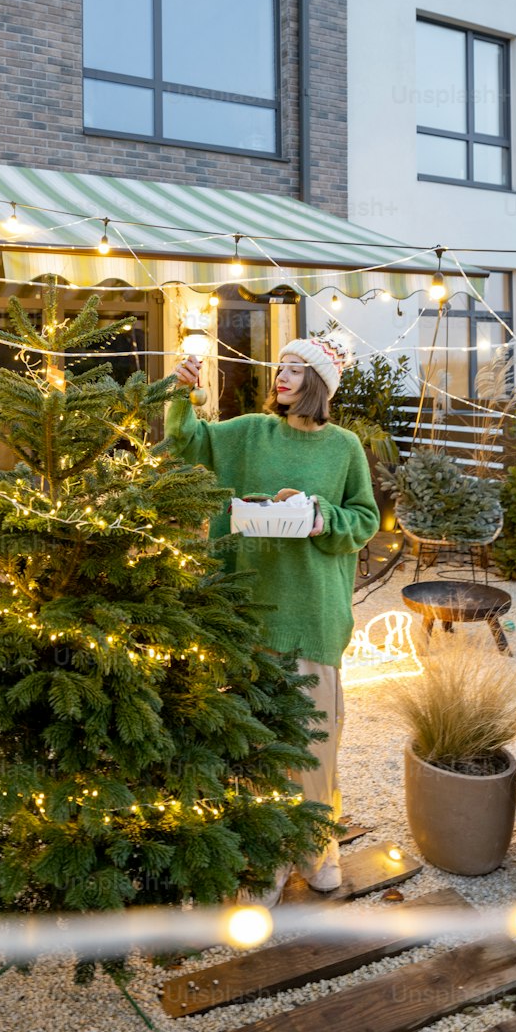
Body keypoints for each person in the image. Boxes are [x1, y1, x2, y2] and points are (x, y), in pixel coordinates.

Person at [167, 337, 379, 903]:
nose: (281, 375)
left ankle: (315, 848)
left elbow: (364, 520)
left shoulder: (344, 447)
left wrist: (316, 515)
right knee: (255, 746)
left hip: (312, 614)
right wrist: (181, 392)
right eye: (279, 366)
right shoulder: (248, 433)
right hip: (247, 612)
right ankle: (266, 859)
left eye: (294, 367)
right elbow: (185, 445)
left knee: (313, 746)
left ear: (319, 382)